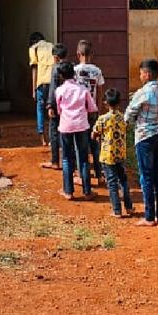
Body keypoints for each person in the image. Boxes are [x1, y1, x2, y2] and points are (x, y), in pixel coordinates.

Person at [125, 59, 158, 227]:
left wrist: (128, 122)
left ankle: (149, 216)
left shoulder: (143, 93)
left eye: (142, 72)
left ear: (148, 74)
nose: (140, 75)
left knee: (146, 176)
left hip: (144, 137)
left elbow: (129, 112)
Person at [55, 62, 98, 201]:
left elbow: (59, 110)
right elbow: (92, 108)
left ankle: (68, 191)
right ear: (74, 74)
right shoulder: (83, 89)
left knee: (67, 158)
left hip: (66, 126)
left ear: (61, 76)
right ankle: (87, 191)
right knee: (83, 158)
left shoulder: (59, 90)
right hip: (82, 125)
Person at [93, 88, 133, 217]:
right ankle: (129, 207)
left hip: (107, 155)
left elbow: (94, 133)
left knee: (112, 182)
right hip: (120, 154)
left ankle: (117, 210)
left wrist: (96, 136)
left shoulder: (103, 119)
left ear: (105, 103)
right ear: (119, 102)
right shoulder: (123, 118)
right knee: (123, 181)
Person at [75, 40, 106, 187]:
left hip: (79, 112)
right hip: (93, 111)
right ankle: (99, 175)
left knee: (81, 145)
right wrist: (98, 110)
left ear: (78, 54)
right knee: (95, 143)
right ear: (91, 55)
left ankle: (82, 174)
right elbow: (100, 92)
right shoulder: (97, 71)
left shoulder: (74, 71)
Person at [41, 43, 68, 171]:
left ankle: (55, 161)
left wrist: (50, 105)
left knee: (54, 132)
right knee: (65, 132)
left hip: (57, 105)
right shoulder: (70, 67)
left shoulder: (56, 68)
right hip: (68, 106)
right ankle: (67, 160)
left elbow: (53, 88)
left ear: (56, 57)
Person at [28, 32, 54, 147]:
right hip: (53, 83)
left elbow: (34, 69)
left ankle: (42, 139)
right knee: (52, 110)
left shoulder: (34, 49)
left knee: (40, 109)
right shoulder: (52, 46)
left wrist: (33, 89)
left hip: (41, 83)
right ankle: (53, 138)